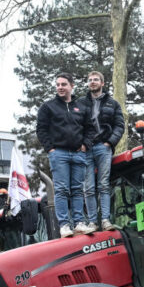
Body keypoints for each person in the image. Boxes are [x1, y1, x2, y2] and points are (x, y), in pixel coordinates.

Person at [36, 72, 96, 238]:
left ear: (72, 86)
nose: (60, 87)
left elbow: (90, 129)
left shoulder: (82, 107)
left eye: (64, 84)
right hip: (59, 154)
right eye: (58, 85)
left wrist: (85, 145)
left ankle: (79, 223)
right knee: (62, 190)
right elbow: (41, 129)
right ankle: (64, 225)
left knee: (77, 190)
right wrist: (51, 149)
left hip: (78, 154)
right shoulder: (48, 107)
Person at [81, 71, 125, 231]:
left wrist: (110, 142)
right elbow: (74, 124)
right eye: (90, 80)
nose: (92, 82)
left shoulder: (112, 104)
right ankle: (93, 222)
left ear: (102, 83)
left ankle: (105, 220)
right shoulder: (80, 103)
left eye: (96, 80)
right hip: (85, 149)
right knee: (88, 188)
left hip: (103, 147)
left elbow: (120, 125)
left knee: (104, 185)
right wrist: (80, 143)